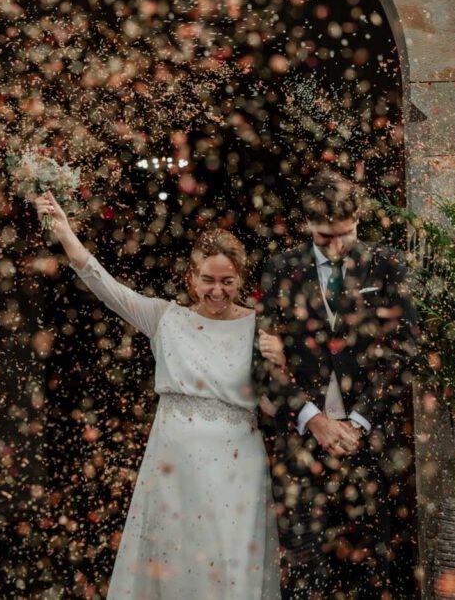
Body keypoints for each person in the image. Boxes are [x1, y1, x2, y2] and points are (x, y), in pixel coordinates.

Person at [33, 191, 280, 599]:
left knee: (231, 560)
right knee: (173, 557)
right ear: (191, 278)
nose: (216, 290)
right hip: (174, 460)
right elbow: (102, 283)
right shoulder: (165, 317)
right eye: (207, 280)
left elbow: (281, 394)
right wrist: (63, 231)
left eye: (227, 281)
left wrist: (283, 360)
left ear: (241, 280)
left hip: (238, 464)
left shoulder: (262, 327)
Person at [255, 169, 419, 599]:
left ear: (359, 218)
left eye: (345, 234)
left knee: (369, 569)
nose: (336, 245)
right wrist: (313, 420)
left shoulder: (387, 265)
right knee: (305, 566)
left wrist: (359, 421)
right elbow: (264, 361)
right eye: (326, 236)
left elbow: (404, 353)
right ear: (308, 223)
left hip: (368, 442)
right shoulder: (279, 270)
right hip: (300, 445)